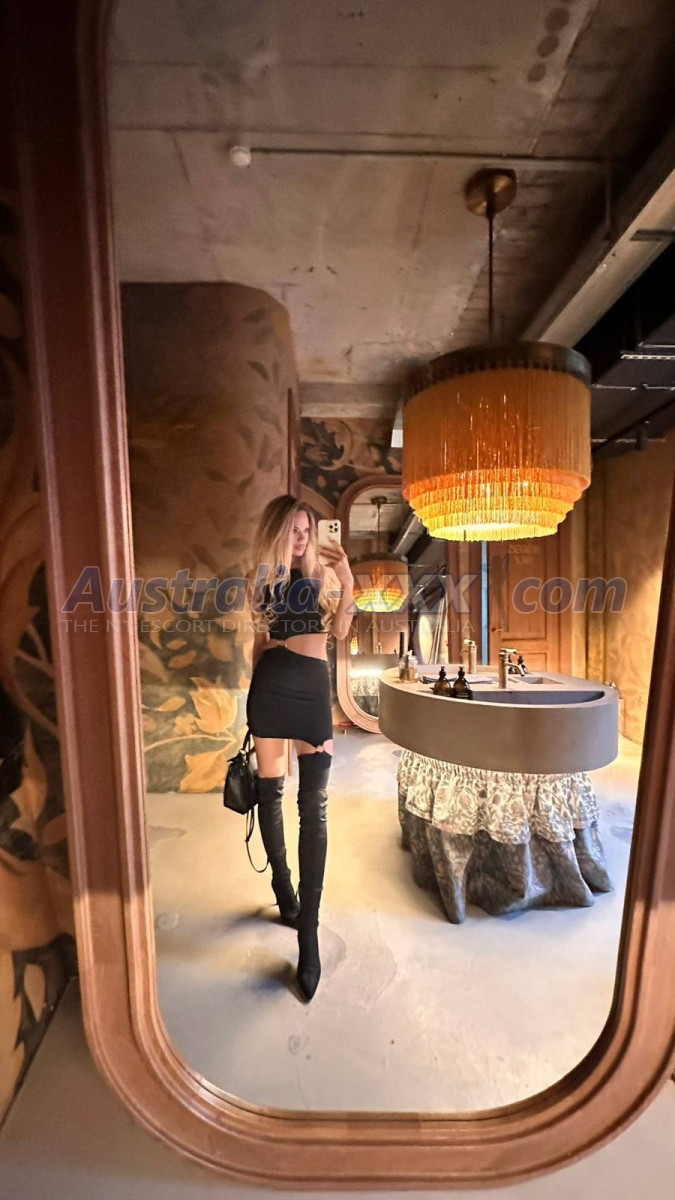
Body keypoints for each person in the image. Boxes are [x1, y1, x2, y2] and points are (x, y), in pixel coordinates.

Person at [244, 495, 354, 1001]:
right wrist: (253, 698)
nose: (302, 537)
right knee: (270, 794)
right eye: (294, 529)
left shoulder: (323, 577)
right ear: (278, 531)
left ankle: (307, 933)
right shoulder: (262, 581)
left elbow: (342, 631)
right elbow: (258, 644)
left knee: (315, 805)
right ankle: (283, 890)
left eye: (307, 530)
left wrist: (348, 580)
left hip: (312, 692)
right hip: (271, 688)